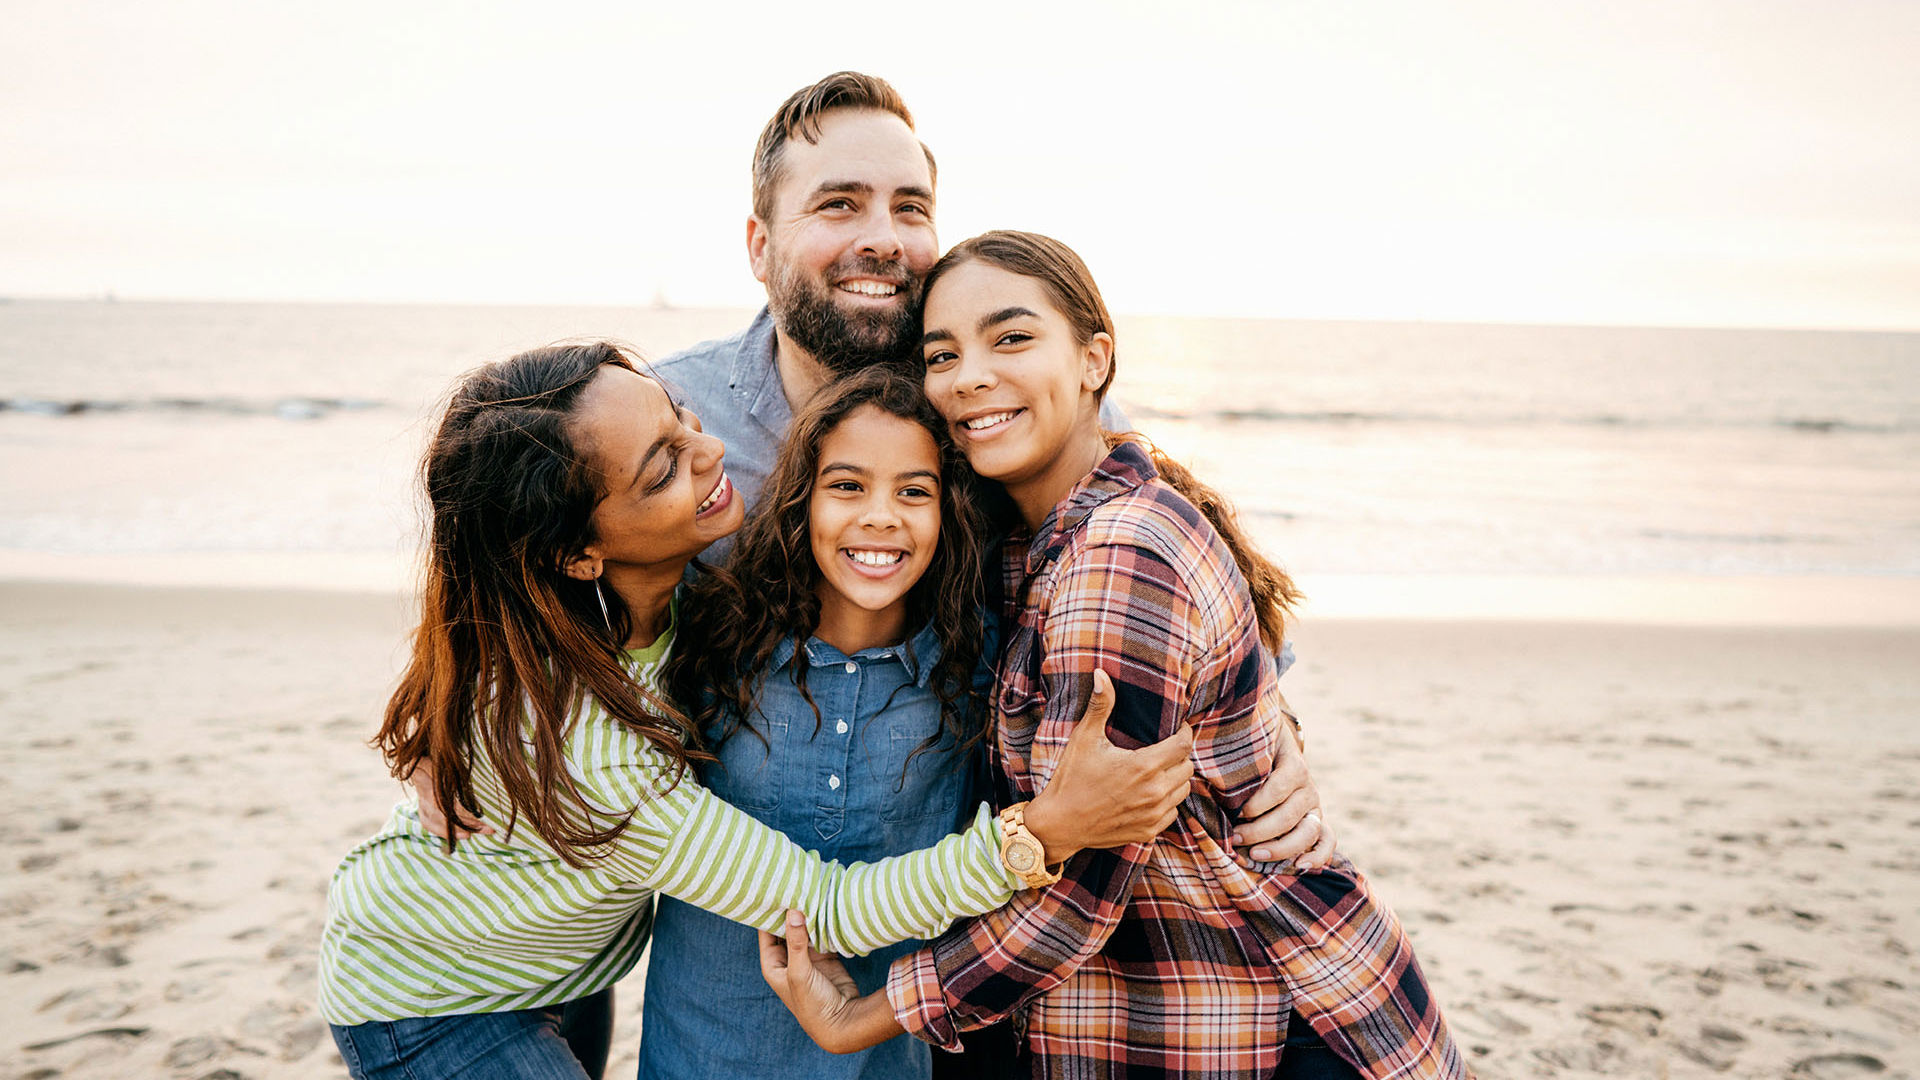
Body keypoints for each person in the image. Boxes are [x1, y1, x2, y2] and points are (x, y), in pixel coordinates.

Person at [317, 341, 1199, 1080]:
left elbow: (476, 617)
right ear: (578, 552)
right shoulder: (595, 754)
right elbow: (820, 909)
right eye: (662, 469)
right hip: (429, 998)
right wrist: (1038, 835)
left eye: (680, 418)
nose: (706, 454)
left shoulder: (669, 604)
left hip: (552, 967)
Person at [760, 233, 1471, 1079]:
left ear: (1096, 358)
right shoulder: (1027, 542)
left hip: (1286, 1023)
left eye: (1011, 338)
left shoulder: (1121, 554)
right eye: (942, 354)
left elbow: (1081, 887)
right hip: (1162, 1022)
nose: (970, 376)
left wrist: (863, 1016)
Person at [639, 367, 1020, 1079]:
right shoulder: (712, 637)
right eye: (847, 486)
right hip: (703, 1052)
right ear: (801, 500)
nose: (881, 515)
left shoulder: (978, 671)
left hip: (882, 1060)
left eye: (914, 491)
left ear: (950, 513)